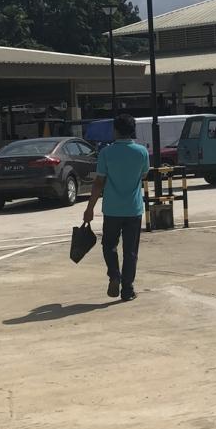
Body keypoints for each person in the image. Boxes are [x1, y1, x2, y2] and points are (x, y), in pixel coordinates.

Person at [83, 113, 150, 302]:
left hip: (112, 210)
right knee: (131, 251)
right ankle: (127, 290)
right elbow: (144, 174)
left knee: (109, 245)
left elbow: (99, 183)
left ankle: (114, 275)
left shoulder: (106, 153)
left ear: (116, 131)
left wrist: (89, 209)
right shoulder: (142, 152)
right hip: (133, 209)